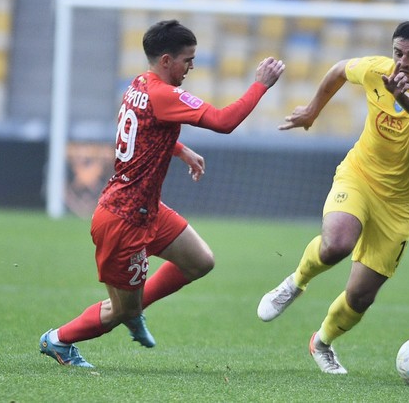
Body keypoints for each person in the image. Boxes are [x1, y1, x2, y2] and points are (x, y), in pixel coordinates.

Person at [40, 19, 285, 368]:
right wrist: (260, 85)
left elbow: (145, 129)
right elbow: (223, 121)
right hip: (123, 220)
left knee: (200, 261)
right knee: (118, 311)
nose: (192, 67)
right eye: (188, 60)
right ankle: (58, 340)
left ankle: (134, 309)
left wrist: (179, 149)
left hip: (146, 209)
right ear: (167, 60)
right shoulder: (163, 94)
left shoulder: (139, 84)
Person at [257, 20, 409, 374]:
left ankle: (322, 342)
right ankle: (295, 282)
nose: (403, 62)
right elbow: (338, 70)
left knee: (361, 295)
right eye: (398, 53)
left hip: (399, 202)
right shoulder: (377, 70)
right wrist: (312, 111)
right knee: (337, 244)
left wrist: (400, 96)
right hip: (359, 175)